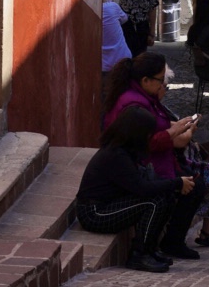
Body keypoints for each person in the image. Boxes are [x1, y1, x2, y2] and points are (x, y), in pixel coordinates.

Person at [102, 53, 209, 254]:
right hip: (144, 165)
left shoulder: (144, 98)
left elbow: (160, 129)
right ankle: (170, 243)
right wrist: (179, 131)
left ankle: (172, 242)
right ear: (145, 80)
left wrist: (180, 126)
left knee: (194, 183)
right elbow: (149, 141)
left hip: (153, 162)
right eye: (160, 80)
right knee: (192, 186)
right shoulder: (135, 104)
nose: (163, 85)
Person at [75, 105, 196, 274]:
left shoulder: (126, 150)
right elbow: (142, 188)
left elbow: (143, 182)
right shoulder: (116, 155)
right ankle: (139, 254)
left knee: (164, 195)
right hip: (95, 213)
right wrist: (177, 183)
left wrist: (173, 184)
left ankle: (150, 249)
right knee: (154, 202)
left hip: (109, 204)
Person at [100, 0, 132, 74]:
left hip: (103, 64)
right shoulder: (112, 6)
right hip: (122, 58)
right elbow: (124, 19)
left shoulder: (87, 12)